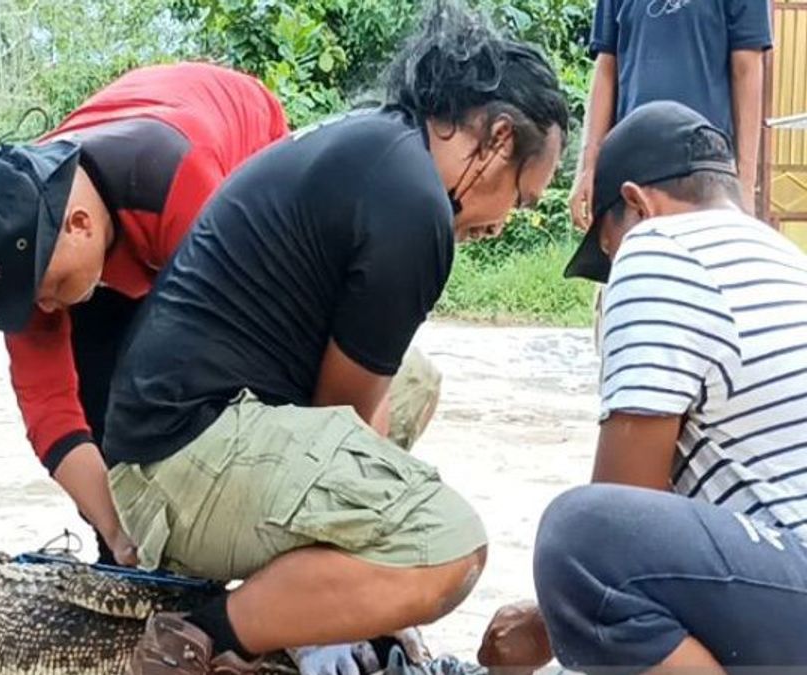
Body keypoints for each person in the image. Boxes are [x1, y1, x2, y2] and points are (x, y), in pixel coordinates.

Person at [98, 1, 570, 671]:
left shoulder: (380, 146)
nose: (505, 222)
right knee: (448, 547)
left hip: (166, 445)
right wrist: (382, 589)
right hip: (182, 467)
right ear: (496, 139)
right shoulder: (413, 204)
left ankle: (303, 600)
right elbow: (340, 417)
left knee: (413, 379)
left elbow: (355, 405)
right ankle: (203, 636)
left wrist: (361, 592)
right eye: (522, 196)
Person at [0, 62, 446, 566]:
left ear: (79, 224)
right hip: (120, 229)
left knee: (241, 409)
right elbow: (50, 409)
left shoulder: (184, 185)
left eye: (49, 289)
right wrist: (121, 534)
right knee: (112, 416)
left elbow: (294, 371)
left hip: (227, 176)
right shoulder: (25, 239)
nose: (44, 310)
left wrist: (352, 514)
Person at [479, 101, 807, 672]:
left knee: (582, 534)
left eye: (608, 250)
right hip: (784, 583)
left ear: (635, 204)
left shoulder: (662, 246)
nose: (615, 266)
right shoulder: (784, 258)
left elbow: (626, 507)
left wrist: (541, 628)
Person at [569, 0, 771, 224]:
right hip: (633, 168)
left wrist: (744, 186)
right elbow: (606, 68)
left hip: (703, 170)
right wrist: (587, 168)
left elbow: (746, 69)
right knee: (638, 255)